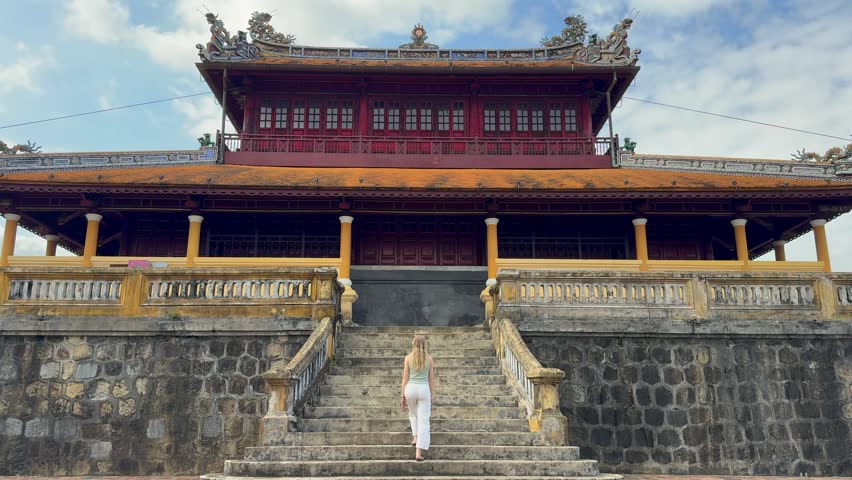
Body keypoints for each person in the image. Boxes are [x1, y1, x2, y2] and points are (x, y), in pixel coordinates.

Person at [400, 335, 434, 461]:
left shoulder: (408, 358)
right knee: (424, 420)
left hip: (410, 389)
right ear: (425, 345)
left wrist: (402, 395)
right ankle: (418, 453)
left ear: (413, 344)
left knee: (413, 415)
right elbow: (431, 379)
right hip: (424, 390)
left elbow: (405, 378)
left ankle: (415, 437)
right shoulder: (429, 359)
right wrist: (432, 393)